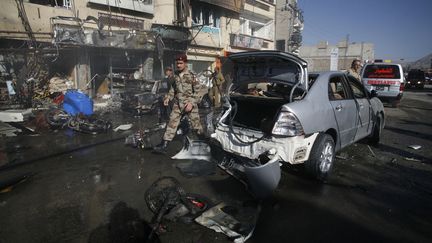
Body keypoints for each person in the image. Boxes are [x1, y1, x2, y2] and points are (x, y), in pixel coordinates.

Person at [153, 53, 204, 153]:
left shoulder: (191, 75)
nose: (179, 65)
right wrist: (168, 97)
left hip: (189, 104)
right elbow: (173, 89)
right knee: (172, 123)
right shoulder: (175, 75)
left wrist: (191, 103)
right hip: (178, 104)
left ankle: (204, 143)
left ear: (185, 63)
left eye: (181, 63)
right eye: (177, 63)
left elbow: (199, 91)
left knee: (196, 125)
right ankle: (164, 145)